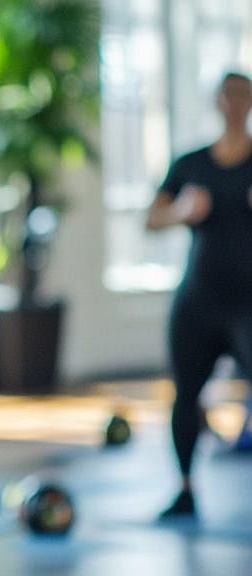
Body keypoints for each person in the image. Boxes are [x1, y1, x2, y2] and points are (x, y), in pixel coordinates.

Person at [147, 71, 252, 519]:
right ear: (217, 102)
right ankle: (185, 488)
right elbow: (152, 218)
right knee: (185, 394)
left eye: (241, 95)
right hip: (199, 301)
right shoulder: (192, 163)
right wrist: (182, 211)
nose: (233, 103)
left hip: (248, 304)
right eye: (227, 95)